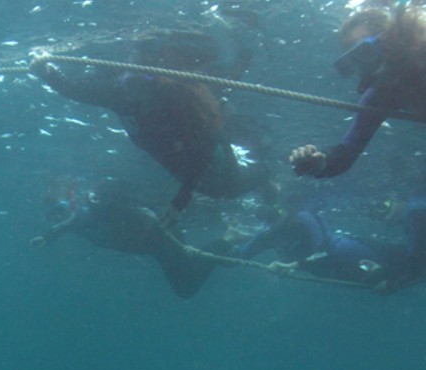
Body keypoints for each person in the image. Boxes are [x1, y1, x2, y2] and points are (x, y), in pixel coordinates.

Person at [29, 15, 278, 227]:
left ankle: (265, 173)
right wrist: (45, 70)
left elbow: (204, 152)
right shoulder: (120, 92)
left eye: (141, 83)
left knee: (225, 190)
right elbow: (75, 89)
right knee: (209, 188)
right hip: (179, 164)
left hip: (214, 163)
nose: (132, 88)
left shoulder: (174, 102)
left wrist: (179, 203)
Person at [290, 3, 426, 178]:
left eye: (366, 50)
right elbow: (346, 153)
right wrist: (319, 163)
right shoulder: (380, 96)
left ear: (394, 40)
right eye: (354, 57)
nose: (364, 64)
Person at [29, 183, 223, 298]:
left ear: (71, 202)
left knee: (187, 286)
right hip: (155, 248)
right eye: (52, 216)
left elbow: (149, 220)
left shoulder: (98, 208)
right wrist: (45, 238)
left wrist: (180, 248)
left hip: (165, 238)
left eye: (60, 211)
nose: (59, 219)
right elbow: (61, 227)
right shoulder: (75, 223)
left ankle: (226, 241)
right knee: (186, 287)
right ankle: (227, 243)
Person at [229, 195, 426, 292]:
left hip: (355, 254)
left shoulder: (303, 218)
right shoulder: (268, 235)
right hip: (339, 269)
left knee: (406, 263)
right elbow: (238, 256)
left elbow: (325, 249)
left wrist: (295, 265)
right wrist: (223, 242)